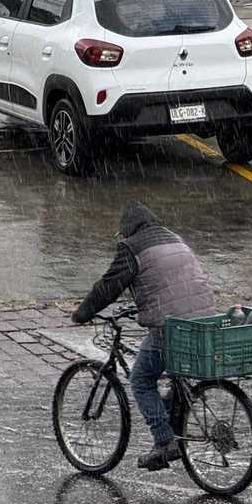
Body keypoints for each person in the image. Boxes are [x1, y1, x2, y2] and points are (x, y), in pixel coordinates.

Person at [71, 201, 216, 471]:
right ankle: (174, 413)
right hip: (203, 318)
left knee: (140, 379)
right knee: (175, 375)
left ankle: (164, 441)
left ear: (127, 230)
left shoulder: (132, 247)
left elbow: (108, 286)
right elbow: (170, 281)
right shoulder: (174, 238)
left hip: (171, 325)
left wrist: (83, 313)